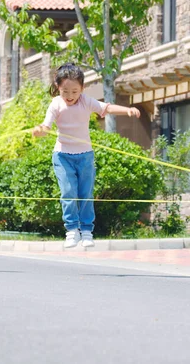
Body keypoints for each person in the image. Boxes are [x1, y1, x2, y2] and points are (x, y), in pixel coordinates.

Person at [33, 64, 141, 248]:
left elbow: (106, 108)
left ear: (82, 89)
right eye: (65, 90)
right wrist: (40, 131)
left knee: (85, 194)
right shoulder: (56, 104)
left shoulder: (86, 101)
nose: (70, 95)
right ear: (58, 87)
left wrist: (127, 110)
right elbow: (46, 126)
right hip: (62, 156)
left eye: (74, 91)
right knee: (68, 192)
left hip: (85, 156)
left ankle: (87, 231)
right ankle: (72, 230)